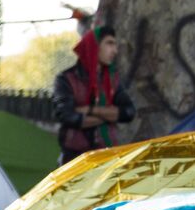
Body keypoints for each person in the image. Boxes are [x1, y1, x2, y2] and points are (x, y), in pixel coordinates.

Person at [52, 24, 135, 165]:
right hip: (75, 159)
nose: (115, 51)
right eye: (109, 44)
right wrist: (110, 115)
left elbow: (128, 112)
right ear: (94, 46)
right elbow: (68, 117)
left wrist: (91, 110)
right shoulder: (67, 79)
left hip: (107, 156)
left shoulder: (112, 80)